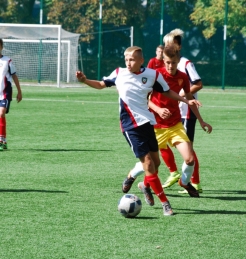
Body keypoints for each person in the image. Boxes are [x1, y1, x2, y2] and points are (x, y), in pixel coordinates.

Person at [76, 46, 201, 216]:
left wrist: (186, 101)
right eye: (126, 59)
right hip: (130, 126)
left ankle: (142, 184)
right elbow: (100, 84)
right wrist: (85, 80)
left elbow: (168, 91)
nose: (128, 63)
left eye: (132, 59)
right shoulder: (119, 73)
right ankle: (165, 203)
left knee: (156, 164)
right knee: (148, 164)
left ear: (141, 61)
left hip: (148, 124)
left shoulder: (152, 75)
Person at [122, 44, 212, 197]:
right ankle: (132, 176)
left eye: (174, 63)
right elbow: (145, 99)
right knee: (151, 164)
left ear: (178, 61)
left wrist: (202, 121)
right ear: (163, 61)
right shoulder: (155, 75)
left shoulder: (183, 77)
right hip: (155, 126)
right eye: (168, 63)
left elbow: (189, 99)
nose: (171, 66)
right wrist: (158, 109)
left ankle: (184, 182)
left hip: (175, 124)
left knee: (190, 159)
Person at [160, 29, 205, 193]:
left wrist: (182, 94)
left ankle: (194, 182)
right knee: (161, 143)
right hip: (172, 112)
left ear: (177, 46)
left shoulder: (185, 63)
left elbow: (198, 83)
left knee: (188, 150)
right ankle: (175, 173)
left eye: (169, 44)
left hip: (186, 111)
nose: (166, 46)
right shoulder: (166, 64)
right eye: (165, 44)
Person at [0, 38, 22, 151]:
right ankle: (3, 140)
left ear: (1, 47)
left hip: (5, 93)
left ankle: (1, 139)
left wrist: (19, 91)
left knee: (1, 113)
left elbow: (14, 75)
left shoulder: (7, 61)